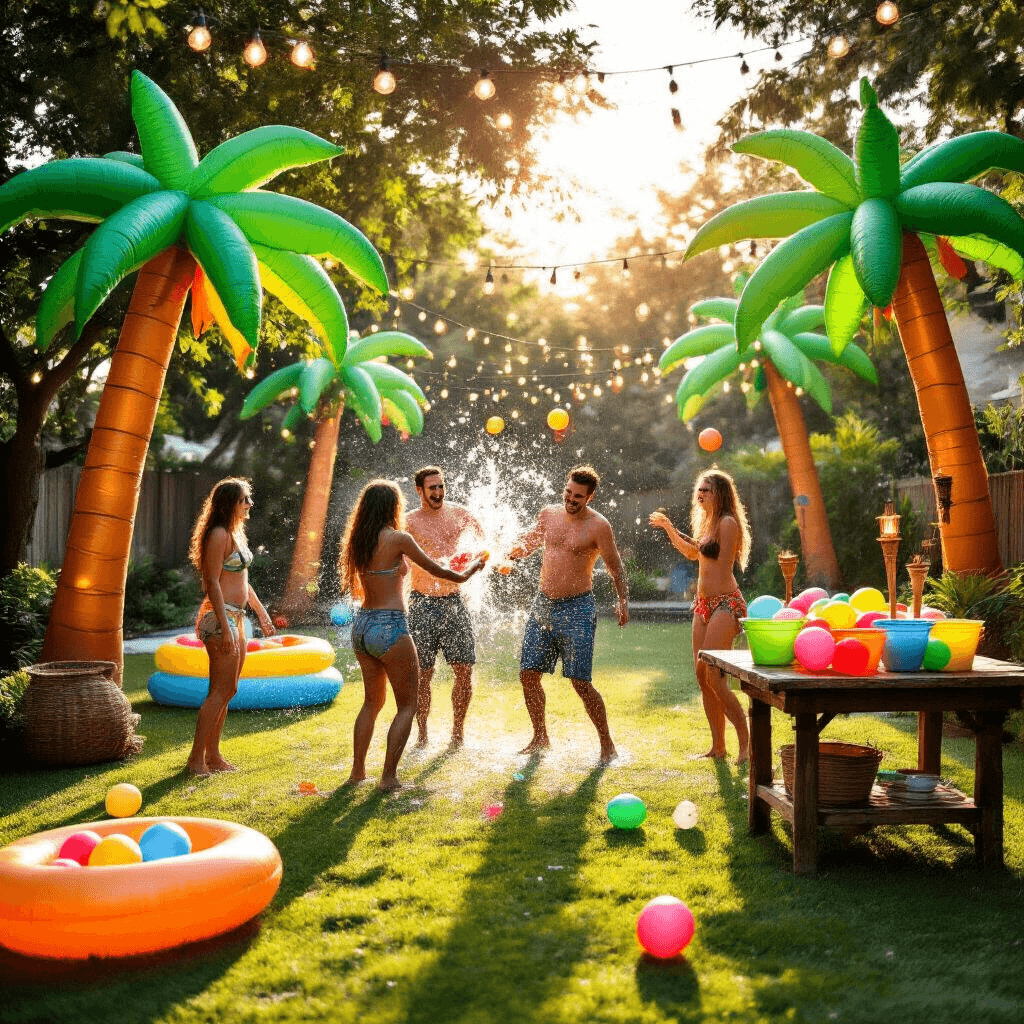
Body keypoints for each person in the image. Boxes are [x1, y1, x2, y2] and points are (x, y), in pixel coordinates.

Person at [338, 480, 487, 791]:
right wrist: (473, 568)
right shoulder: (399, 538)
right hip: (389, 625)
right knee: (407, 705)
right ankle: (389, 779)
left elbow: (357, 587)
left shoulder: (358, 541)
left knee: (370, 703)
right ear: (392, 507)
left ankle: (357, 774)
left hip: (362, 625)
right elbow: (443, 572)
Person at [505, 465, 629, 764]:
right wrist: (504, 552)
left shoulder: (599, 526)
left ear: (590, 497)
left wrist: (623, 600)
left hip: (577, 607)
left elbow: (615, 566)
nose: (571, 500)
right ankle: (540, 736)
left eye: (578, 497)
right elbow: (528, 543)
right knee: (528, 674)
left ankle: (607, 744)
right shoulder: (548, 514)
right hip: (543, 604)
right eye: (568, 493)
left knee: (580, 682)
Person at [649, 468, 752, 763]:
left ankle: (747, 744)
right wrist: (670, 528)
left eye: (707, 489)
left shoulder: (728, 523)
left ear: (720, 494)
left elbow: (713, 557)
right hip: (703, 605)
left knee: (714, 675)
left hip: (726, 604)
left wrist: (691, 541)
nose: (701, 493)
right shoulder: (707, 523)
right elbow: (693, 553)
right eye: (700, 489)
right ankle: (718, 747)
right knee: (701, 675)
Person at [186, 477, 275, 777]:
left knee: (228, 689)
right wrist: (225, 628)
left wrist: (261, 613)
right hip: (218, 617)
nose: (250, 504)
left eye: (249, 498)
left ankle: (214, 755)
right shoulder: (219, 535)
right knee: (220, 690)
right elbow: (212, 582)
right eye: (244, 500)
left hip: (236, 617)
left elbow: (243, 582)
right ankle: (196, 760)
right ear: (229, 504)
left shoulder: (237, 533)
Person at [406, 466, 486, 748]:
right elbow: (398, 560)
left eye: (441, 487)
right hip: (421, 604)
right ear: (420, 491)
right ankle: (423, 734)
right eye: (432, 488)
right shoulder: (408, 522)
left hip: (454, 601)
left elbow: (485, 542)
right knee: (422, 674)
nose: (438, 493)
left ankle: (457, 733)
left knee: (464, 669)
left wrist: (481, 557)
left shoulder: (459, 514)